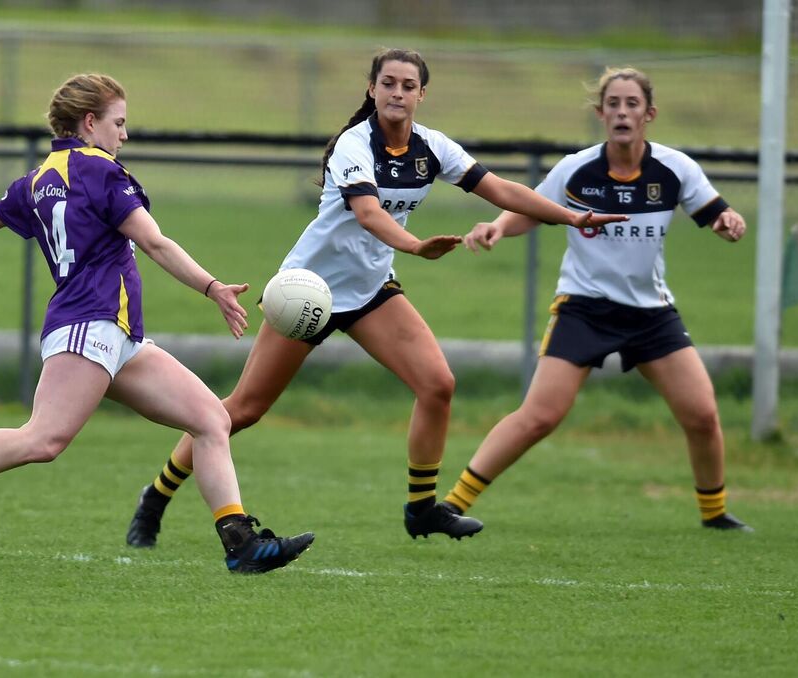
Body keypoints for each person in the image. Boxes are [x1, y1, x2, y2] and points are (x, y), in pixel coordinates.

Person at [125, 49, 628, 548]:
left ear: (421, 95)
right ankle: (156, 496)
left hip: (369, 291)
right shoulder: (354, 144)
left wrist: (573, 217)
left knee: (438, 385)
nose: (398, 93)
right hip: (309, 292)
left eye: (409, 86)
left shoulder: (431, 146)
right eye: (388, 83)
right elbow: (367, 212)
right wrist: (414, 246)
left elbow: (499, 190)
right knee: (245, 409)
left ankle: (423, 509)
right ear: (372, 89)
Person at [0, 73, 314, 574]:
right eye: (118, 123)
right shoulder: (102, 172)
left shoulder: (38, 179)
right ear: (89, 122)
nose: (124, 135)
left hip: (116, 335)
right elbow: (155, 242)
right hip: (89, 324)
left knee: (212, 419)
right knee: (43, 439)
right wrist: (212, 288)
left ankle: (241, 542)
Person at [440, 67, 753, 532]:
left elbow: (716, 212)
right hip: (584, 308)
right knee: (540, 416)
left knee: (703, 414)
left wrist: (729, 221)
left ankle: (715, 514)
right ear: (601, 113)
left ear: (649, 114)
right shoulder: (576, 169)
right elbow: (532, 209)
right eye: (613, 104)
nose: (622, 112)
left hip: (651, 314)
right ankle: (452, 504)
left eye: (631, 104)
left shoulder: (675, 168)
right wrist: (497, 227)